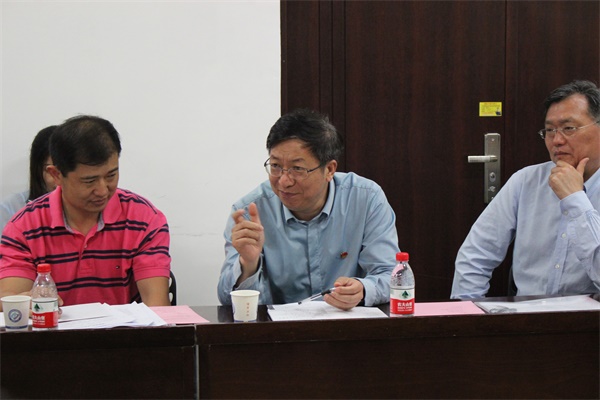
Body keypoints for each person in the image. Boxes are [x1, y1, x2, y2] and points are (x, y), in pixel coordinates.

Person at [218, 109, 400, 310]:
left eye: (297, 169)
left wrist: (363, 289)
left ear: (329, 169)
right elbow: (227, 301)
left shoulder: (366, 199)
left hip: (348, 322)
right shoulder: (249, 213)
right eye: (276, 166)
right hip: (280, 327)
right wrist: (247, 264)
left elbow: (392, 276)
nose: (284, 181)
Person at [0, 115, 171, 310]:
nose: (102, 190)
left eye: (111, 175)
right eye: (89, 181)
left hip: (125, 330)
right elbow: (11, 300)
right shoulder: (24, 227)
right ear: (56, 175)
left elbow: (158, 308)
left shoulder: (144, 219)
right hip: (52, 328)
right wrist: (25, 302)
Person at [451, 80, 600, 299]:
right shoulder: (525, 181)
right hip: (528, 312)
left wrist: (576, 199)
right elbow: (476, 254)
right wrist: (466, 311)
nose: (557, 140)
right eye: (549, 130)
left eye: (569, 128)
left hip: (589, 317)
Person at [0, 125, 57, 231]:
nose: (62, 180)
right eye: (53, 172)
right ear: (37, 169)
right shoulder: (10, 209)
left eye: (68, 170)